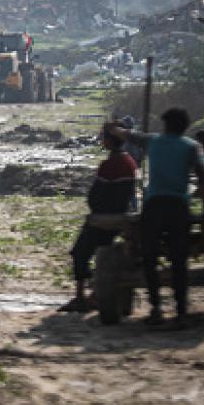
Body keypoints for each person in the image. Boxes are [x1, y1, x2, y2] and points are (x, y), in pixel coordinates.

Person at [106, 108, 204, 328]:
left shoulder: (153, 141)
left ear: (164, 125)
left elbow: (126, 135)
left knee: (149, 256)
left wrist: (112, 128)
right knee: (179, 259)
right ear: (185, 127)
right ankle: (181, 311)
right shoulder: (192, 147)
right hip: (178, 206)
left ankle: (156, 308)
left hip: (154, 206)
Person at [60, 123, 138, 312]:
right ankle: (94, 293)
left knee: (79, 252)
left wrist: (94, 207)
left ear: (110, 141)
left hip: (104, 217)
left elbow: (97, 194)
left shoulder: (109, 165)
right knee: (101, 249)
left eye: (104, 138)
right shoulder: (130, 161)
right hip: (121, 215)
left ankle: (81, 296)